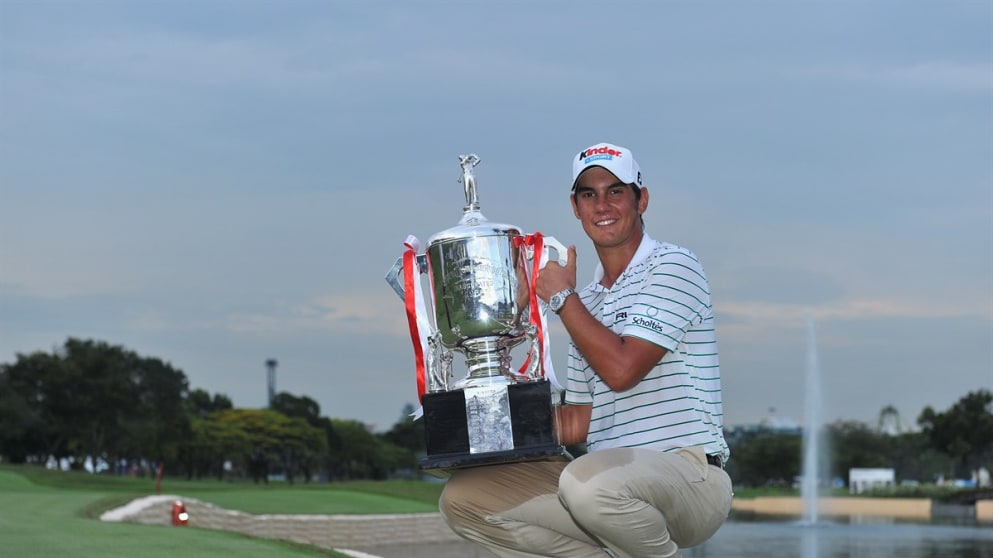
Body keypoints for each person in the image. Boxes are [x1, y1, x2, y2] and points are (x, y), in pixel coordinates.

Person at [438, 142, 732, 558]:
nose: (602, 204)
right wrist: (480, 424)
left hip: (689, 476)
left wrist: (561, 299)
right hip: (605, 483)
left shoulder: (674, 265)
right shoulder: (587, 302)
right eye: (588, 194)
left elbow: (622, 369)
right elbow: (578, 421)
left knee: (587, 483)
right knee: (466, 498)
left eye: (615, 191)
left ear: (641, 199)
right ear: (575, 208)